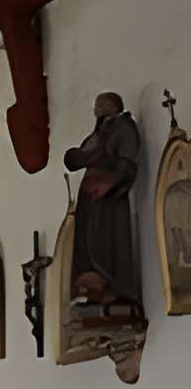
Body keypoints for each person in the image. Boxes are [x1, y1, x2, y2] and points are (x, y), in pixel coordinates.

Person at [63, 92, 143, 310]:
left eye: (100, 105)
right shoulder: (99, 132)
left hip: (107, 196)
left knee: (105, 239)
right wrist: (76, 156)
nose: (96, 110)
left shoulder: (124, 127)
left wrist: (111, 182)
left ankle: (112, 288)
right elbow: (81, 157)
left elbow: (128, 161)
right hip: (90, 194)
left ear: (112, 105)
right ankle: (91, 288)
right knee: (85, 239)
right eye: (96, 106)